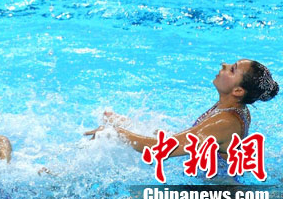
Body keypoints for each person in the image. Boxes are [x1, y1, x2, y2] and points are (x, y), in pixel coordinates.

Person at [84, 59, 279, 180]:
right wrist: (130, 125)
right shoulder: (232, 107)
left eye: (232, 69)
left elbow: (161, 149)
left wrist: (116, 133)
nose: (224, 65)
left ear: (237, 91)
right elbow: (183, 138)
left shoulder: (225, 122)